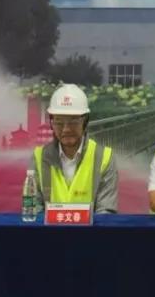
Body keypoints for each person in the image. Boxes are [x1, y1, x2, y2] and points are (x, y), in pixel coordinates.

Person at [32, 83, 117, 213]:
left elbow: (106, 213)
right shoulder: (39, 157)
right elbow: (33, 210)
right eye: (59, 122)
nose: (66, 129)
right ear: (51, 123)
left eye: (73, 121)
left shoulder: (104, 157)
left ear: (85, 121)